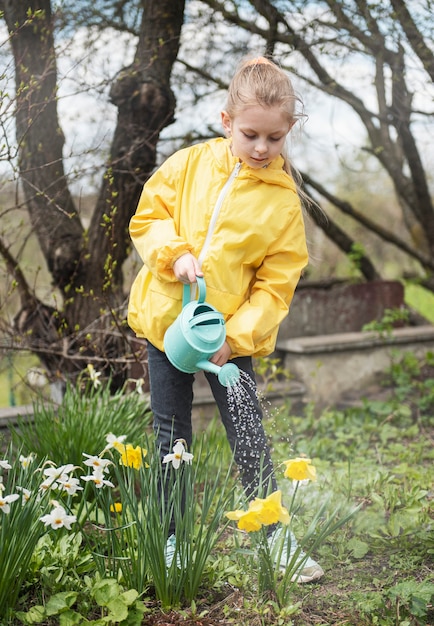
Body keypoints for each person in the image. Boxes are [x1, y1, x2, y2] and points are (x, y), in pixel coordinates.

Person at [128, 56, 324, 583]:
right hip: (167, 326)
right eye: (251, 134)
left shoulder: (282, 204)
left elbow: (276, 284)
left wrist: (235, 339)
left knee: (248, 429)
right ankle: (170, 540)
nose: (262, 149)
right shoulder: (189, 164)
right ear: (226, 122)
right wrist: (173, 253)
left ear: (288, 133)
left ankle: (273, 534)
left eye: (275, 139)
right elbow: (148, 217)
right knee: (171, 436)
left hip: (225, 341)